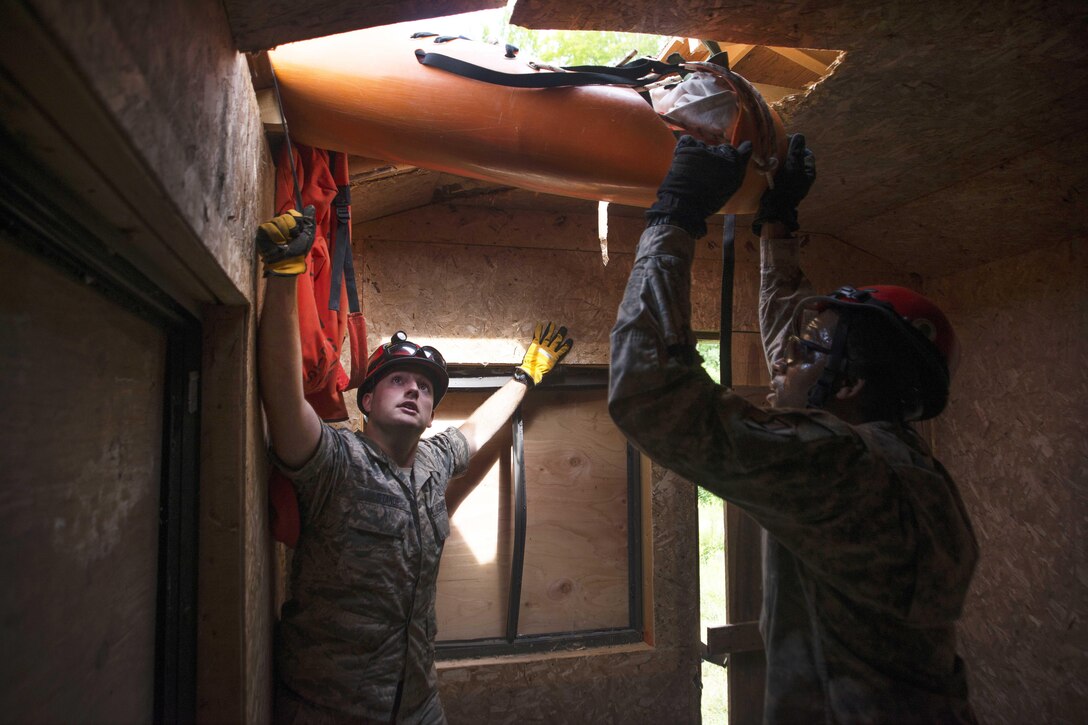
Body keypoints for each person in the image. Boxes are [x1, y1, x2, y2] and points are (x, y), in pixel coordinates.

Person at [609, 134, 979, 722]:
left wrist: (675, 216)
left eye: (807, 352)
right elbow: (804, 355)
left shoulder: (846, 472)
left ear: (852, 386)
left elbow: (649, 391)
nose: (781, 358)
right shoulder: (909, 466)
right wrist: (777, 226)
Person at [255, 208, 573, 723]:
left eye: (425, 388)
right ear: (367, 401)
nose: (414, 390)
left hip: (419, 704)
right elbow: (285, 400)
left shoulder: (432, 461)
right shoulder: (336, 461)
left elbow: (475, 429)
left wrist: (526, 375)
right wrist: (285, 274)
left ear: (429, 413)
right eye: (399, 380)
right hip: (330, 709)